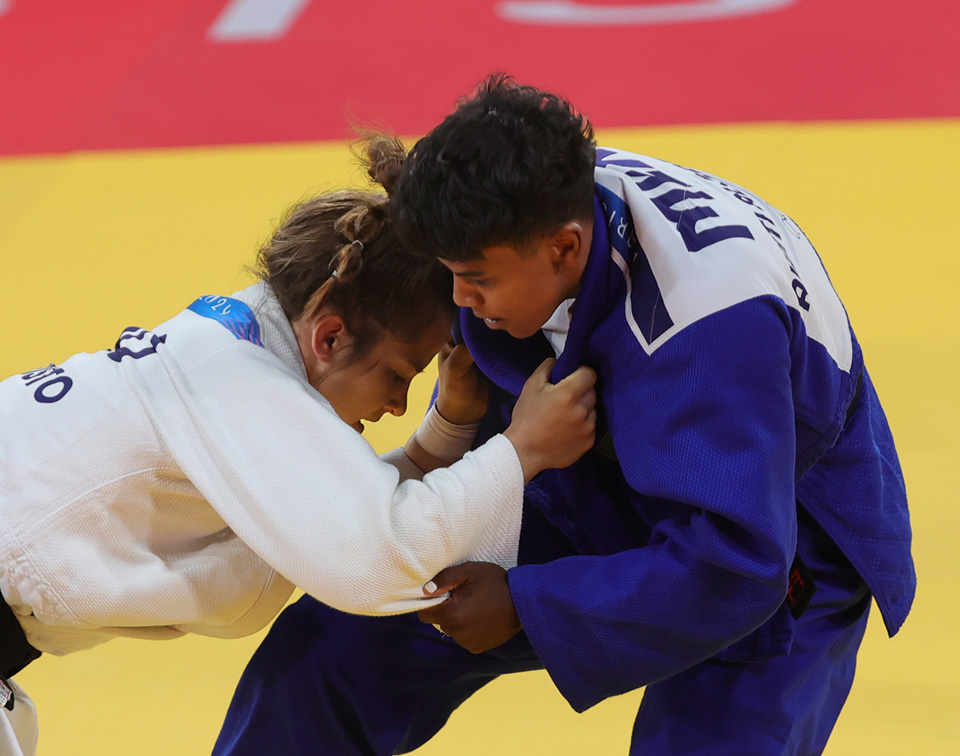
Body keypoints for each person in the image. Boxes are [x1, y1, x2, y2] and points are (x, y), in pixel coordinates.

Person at [212, 77, 915, 755]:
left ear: (565, 249)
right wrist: (452, 436)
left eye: (476, 280)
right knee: (332, 649)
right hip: (585, 462)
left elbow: (735, 564)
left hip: (772, 531)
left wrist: (524, 602)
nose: (457, 297)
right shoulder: (516, 213)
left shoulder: (706, 327)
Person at [0, 137, 599, 756]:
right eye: (399, 373)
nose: (397, 404)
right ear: (331, 336)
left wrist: (444, 430)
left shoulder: (237, 343)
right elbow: (375, 560)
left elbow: (321, 517)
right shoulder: (243, 386)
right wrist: (522, 448)